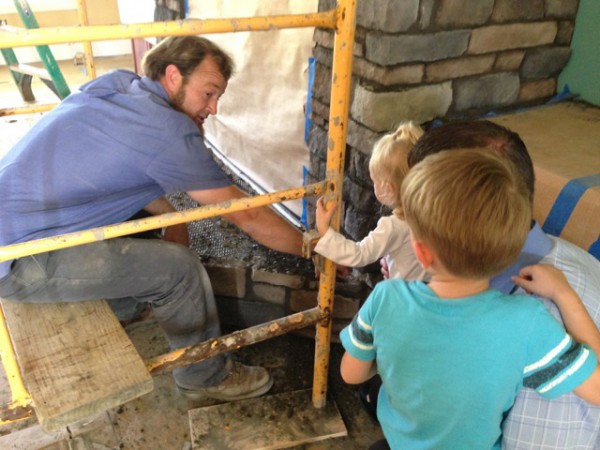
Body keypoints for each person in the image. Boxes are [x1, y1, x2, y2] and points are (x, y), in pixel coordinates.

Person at [0, 36, 303, 401]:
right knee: (179, 269)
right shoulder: (169, 131)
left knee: (144, 217)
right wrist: (316, 248)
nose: (215, 108)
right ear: (173, 76)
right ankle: (203, 376)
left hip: (20, 225)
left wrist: (176, 217)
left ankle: (128, 307)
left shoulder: (119, 84)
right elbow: (248, 216)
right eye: (208, 93)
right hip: (18, 260)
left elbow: (131, 176)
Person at [340, 148, 600, 449]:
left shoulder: (386, 298)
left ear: (421, 252)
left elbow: (351, 373)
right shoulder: (526, 321)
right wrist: (563, 293)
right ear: (511, 249)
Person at [315, 121, 427, 281]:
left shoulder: (394, 226)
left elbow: (359, 255)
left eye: (374, 180)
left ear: (388, 189)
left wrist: (325, 232)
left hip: (404, 297)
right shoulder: (435, 215)